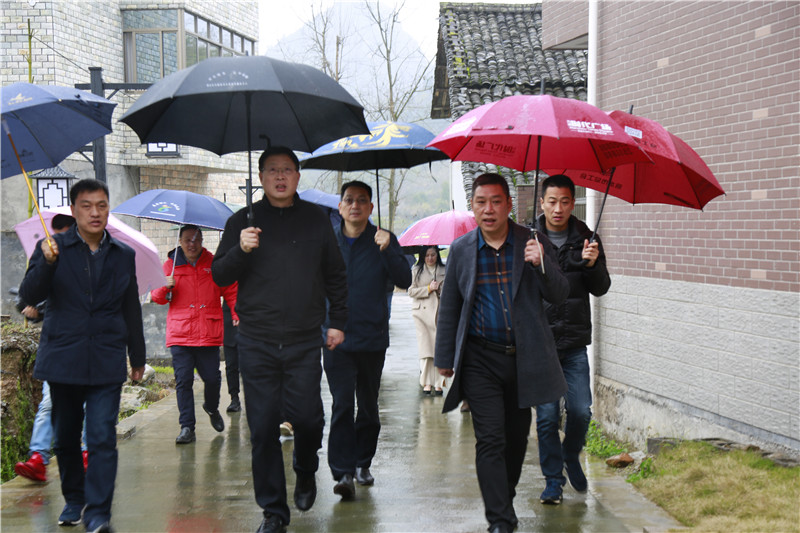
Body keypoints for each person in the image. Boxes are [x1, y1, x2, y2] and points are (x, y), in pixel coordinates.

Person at [212, 146, 347, 533]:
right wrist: (241, 249)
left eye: (287, 170)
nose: (280, 176)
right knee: (263, 427)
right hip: (257, 340)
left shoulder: (317, 220)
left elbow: (335, 274)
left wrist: (337, 322)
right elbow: (219, 275)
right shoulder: (242, 222)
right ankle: (274, 511)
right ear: (261, 177)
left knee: (308, 418)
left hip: (304, 339)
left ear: (298, 177)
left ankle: (305, 467)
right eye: (272, 170)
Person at [434, 173, 569, 533]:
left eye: (496, 202)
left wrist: (541, 264)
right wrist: (444, 358)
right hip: (480, 359)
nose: (489, 209)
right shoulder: (462, 249)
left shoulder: (532, 242)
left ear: (509, 205)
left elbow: (560, 294)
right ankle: (500, 520)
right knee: (490, 439)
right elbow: (450, 306)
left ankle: (503, 497)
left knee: (515, 438)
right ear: (473, 206)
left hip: (523, 360)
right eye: (481, 202)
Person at [19, 179, 146, 532]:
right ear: (74, 210)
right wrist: (46, 264)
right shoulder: (53, 248)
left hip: (106, 357)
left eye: (101, 205)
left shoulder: (123, 255)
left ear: (108, 209)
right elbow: (28, 296)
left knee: (103, 436)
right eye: (87, 206)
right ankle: (75, 499)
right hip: (64, 358)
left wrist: (137, 356)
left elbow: (131, 307)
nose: (95, 212)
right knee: (65, 437)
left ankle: (99, 514)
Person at [323, 180, 411, 500]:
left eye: (362, 200)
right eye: (349, 200)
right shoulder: (327, 243)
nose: (355, 205)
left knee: (369, 407)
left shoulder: (383, 239)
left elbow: (405, 280)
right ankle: (343, 471)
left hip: (372, 338)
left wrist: (389, 250)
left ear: (371, 207)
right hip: (336, 340)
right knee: (342, 405)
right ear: (340, 206)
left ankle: (363, 462)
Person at [534, 174, 611, 504]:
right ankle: (553, 481)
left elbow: (601, 287)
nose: (558, 208)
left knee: (580, 411)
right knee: (547, 417)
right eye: (552, 201)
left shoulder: (587, 239)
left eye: (565, 201)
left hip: (575, 343)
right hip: (541, 345)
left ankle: (570, 454)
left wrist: (592, 265)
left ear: (572, 202)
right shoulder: (528, 239)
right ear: (541, 203)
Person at [151, 225, 238, 444]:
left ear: (202, 242)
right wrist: (165, 286)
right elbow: (157, 297)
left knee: (213, 379)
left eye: (197, 240)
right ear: (180, 241)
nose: (192, 244)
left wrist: (237, 312)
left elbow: (230, 290)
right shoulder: (170, 265)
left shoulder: (213, 264)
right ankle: (187, 427)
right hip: (181, 334)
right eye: (188, 240)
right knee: (184, 380)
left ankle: (211, 407)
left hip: (208, 332)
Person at [14, 215, 85, 483]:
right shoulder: (46, 254)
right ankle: (38, 457)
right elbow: (29, 294)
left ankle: (87, 452)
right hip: (58, 345)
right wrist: (33, 310)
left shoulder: (92, 257)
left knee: (88, 402)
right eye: (56, 233)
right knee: (48, 402)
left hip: (90, 345)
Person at [408, 246, 447, 395]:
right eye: (427, 255)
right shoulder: (416, 270)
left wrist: (439, 289)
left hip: (439, 313)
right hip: (421, 314)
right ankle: (426, 382)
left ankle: (439, 383)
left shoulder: (444, 270)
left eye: (433, 255)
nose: (430, 258)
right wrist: (428, 289)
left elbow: (451, 290)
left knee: (438, 348)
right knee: (425, 348)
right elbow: (411, 291)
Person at [222, 301, 242, 413]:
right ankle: (234, 398)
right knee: (231, 364)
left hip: (251, 312)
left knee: (253, 364)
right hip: (229, 315)